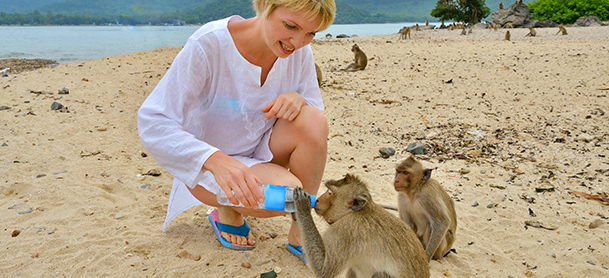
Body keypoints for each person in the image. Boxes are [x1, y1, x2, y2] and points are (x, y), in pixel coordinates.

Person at [137, 0, 336, 259]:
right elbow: (153, 119)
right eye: (290, 26)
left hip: (263, 152)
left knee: (314, 121)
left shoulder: (298, 51)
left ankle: (301, 231)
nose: (297, 43)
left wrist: (299, 100)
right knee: (288, 195)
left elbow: (313, 113)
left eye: (311, 34)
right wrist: (214, 161)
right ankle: (226, 210)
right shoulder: (209, 43)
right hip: (211, 167)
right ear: (264, 5)